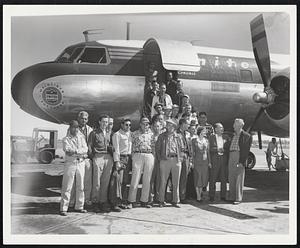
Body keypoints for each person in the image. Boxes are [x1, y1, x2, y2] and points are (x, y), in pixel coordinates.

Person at [60, 120, 88, 216]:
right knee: (67, 186)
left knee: (80, 186)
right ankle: (64, 208)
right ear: (70, 128)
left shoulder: (81, 137)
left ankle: (79, 206)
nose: (76, 129)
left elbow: (86, 149)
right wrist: (80, 152)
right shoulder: (66, 139)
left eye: (77, 127)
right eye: (73, 127)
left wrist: (76, 151)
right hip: (70, 163)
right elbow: (67, 150)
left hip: (80, 163)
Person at [156, 119, 184, 208]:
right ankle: (161, 200)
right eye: (168, 125)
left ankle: (175, 200)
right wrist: (161, 159)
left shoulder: (178, 136)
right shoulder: (161, 136)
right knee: (163, 181)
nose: (169, 127)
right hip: (165, 159)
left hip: (176, 159)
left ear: (174, 127)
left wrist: (181, 158)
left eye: (171, 125)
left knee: (176, 182)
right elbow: (158, 149)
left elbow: (182, 148)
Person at [88, 115, 113, 213]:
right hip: (98, 156)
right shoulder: (94, 133)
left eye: (106, 122)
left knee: (105, 181)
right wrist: (92, 157)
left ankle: (103, 202)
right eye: (103, 122)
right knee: (96, 181)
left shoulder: (109, 133)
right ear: (99, 122)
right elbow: (89, 145)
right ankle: (95, 202)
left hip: (108, 157)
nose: (105, 124)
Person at [128, 117, 155, 208]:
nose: (145, 125)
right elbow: (130, 145)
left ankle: (144, 200)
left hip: (149, 155)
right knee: (135, 178)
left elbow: (154, 146)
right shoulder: (134, 134)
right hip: (138, 154)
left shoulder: (152, 134)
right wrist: (133, 156)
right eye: (143, 123)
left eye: (147, 124)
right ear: (140, 124)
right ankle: (131, 200)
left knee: (147, 179)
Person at [228, 118, 252, 205]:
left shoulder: (246, 136)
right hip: (231, 156)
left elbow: (246, 150)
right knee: (231, 177)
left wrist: (242, 161)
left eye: (235, 124)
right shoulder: (233, 135)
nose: (233, 126)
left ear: (240, 126)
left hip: (239, 156)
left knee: (239, 178)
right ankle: (232, 196)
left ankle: (238, 198)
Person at [110, 118, 132, 211]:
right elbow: (116, 149)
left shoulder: (130, 134)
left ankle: (121, 201)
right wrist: (117, 161)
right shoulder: (117, 135)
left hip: (128, 158)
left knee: (124, 181)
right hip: (121, 158)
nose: (128, 127)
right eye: (126, 125)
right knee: (117, 181)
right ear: (122, 125)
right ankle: (115, 203)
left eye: (129, 125)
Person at [208, 123, 231, 202]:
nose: (222, 129)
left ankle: (223, 196)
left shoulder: (226, 137)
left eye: (222, 128)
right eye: (220, 128)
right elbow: (209, 149)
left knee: (224, 179)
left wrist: (224, 150)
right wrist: (217, 149)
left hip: (223, 160)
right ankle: (211, 196)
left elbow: (228, 148)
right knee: (213, 179)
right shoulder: (211, 137)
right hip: (215, 160)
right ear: (216, 129)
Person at [191, 126, 211, 202]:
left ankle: (201, 193)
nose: (205, 132)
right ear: (200, 132)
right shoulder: (194, 140)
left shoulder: (206, 140)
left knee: (203, 178)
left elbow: (208, 152)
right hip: (197, 161)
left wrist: (209, 162)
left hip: (205, 162)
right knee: (197, 177)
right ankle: (198, 196)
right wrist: (192, 162)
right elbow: (193, 152)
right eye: (203, 131)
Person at [177, 118, 191, 204]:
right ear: (183, 124)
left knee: (184, 177)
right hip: (178, 155)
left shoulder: (187, 134)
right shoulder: (176, 133)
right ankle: (176, 196)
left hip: (186, 155)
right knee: (176, 177)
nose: (188, 126)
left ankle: (182, 196)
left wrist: (190, 157)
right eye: (187, 124)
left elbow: (190, 146)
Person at [149, 120, 163, 203]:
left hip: (160, 160)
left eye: (158, 126)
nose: (156, 128)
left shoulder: (162, 137)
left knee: (159, 179)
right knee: (151, 179)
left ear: (161, 127)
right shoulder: (150, 136)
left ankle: (158, 197)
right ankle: (150, 198)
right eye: (155, 126)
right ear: (152, 127)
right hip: (151, 159)